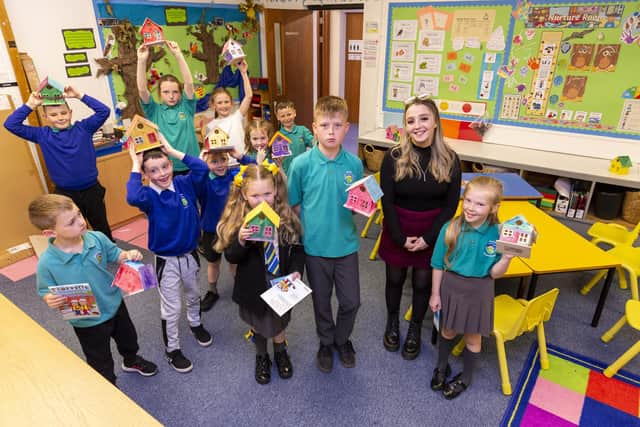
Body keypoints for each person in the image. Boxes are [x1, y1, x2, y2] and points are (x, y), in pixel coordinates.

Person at [28, 194, 157, 385]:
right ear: (50, 233)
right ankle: (108, 385)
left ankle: (131, 360)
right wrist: (49, 298)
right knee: (99, 358)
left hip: (114, 303)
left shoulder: (96, 238)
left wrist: (127, 254)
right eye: (71, 222)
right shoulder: (47, 263)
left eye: (79, 214)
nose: (80, 222)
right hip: (87, 320)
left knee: (128, 338)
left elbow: (115, 254)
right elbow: (44, 290)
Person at [378, 95, 461, 360]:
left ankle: (414, 328)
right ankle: (392, 322)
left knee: (423, 282)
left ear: (435, 122)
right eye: (410, 121)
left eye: (423, 118)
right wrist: (400, 237)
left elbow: (450, 207)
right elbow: (386, 201)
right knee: (394, 278)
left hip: (432, 229)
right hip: (397, 227)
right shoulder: (393, 157)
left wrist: (428, 237)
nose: (417, 126)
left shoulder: (451, 159)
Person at [287, 96, 363, 373]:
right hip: (315, 247)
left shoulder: (354, 165)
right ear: (314, 128)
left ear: (347, 128)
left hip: (346, 245)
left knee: (351, 301)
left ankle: (342, 339)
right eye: (325, 125)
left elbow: (358, 203)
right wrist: (299, 240)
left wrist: (365, 207)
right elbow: (293, 205)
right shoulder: (301, 164)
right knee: (321, 301)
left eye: (337, 125)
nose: (331, 131)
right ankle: (326, 342)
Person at [126, 134, 212, 373]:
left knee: (194, 294)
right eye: (153, 171)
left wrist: (173, 150)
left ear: (171, 165)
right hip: (167, 262)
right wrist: (135, 163)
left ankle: (195, 323)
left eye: (165, 166)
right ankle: (172, 349)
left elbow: (202, 168)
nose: (162, 173)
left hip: (190, 255)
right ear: (146, 175)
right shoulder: (148, 196)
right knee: (171, 307)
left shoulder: (185, 183)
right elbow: (132, 196)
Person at [215, 163, 304, 384]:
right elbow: (232, 257)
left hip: (279, 282)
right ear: (244, 194)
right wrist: (242, 241)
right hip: (253, 286)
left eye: (267, 193)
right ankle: (261, 356)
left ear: (276, 190)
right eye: (255, 195)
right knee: (258, 323)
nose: (262, 200)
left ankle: (281, 351)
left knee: (279, 322)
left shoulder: (284, 217)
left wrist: (296, 271)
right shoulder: (239, 221)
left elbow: (297, 249)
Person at [429, 176, 514, 399]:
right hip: (451, 287)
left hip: (480, 291)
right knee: (446, 330)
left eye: (480, 204)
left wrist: (506, 258)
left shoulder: (498, 234)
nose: (471, 208)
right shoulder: (450, 228)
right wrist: (435, 293)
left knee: (473, 338)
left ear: (494, 207)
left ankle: (466, 378)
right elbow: (437, 264)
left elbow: (494, 273)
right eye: (468, 200)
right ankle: (441, 366)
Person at [5, 86, 113, 241]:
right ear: (46, 116)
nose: (60, 117)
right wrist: (31, 104)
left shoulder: (84, 128)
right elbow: (11, 124)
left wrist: (79, 95)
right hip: (64, 195)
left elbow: (104, 111)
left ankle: (110, 254)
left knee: (101, 226)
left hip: (91, 190)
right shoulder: (42, 135)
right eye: (54, 115)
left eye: (63, 113)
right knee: (75, 231)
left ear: (70, 113)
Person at [198, 148, 256, 312]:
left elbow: (255, 168)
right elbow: (193, 177)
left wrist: (239, 156)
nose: (220, 165)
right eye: (214, 161)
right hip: (210, 229)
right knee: (213, 262)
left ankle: (241, 288)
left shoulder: (234, 176)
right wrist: (200, 164)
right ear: (206, 163)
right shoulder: (204, 181)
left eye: (223, 160)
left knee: (234, 261)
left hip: (232, 228)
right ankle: (212, 291)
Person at [136, 40, 199, 175]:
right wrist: (141, 61)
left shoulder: (186, 106)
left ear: (180, 93)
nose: (171, 96)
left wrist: (178, 55)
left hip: (192, 164)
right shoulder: (154, 110)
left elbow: (188, 83)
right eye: (166, 92)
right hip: (167, 168)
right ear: (159, 94)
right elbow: (142, 90)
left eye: (175, 92)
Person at [202, 60, 253, 154]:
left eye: (226, 102)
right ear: (213, 106)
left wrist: (244, 73)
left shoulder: (237, 116)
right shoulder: (211, 126)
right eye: (220, 103)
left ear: (231, 103)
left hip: (242, 162)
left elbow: (248, 96)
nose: (224, 105)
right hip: (224, 165)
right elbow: (212, 150)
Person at [274, 100, 314, 175]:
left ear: (294, 113)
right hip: (287, 173)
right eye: (282, 116)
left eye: (289, 114)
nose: (286, 118)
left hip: (303, 171)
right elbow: (278, 160)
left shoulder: (303, 130)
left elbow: (314, 143)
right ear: (278, 117)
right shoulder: (278, 137)